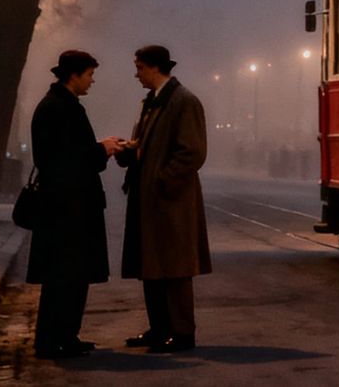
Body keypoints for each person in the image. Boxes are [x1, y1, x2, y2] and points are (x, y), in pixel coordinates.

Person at [114, 45, 211, 353]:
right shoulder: (153, 102)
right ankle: (160, 328)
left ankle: (181, 332)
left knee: (175, 268)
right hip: (152, 199)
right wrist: (130, 151)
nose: (136, 73)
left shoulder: (183, 101)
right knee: (152, 266)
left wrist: (161, 179)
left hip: (171, 200)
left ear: (155, 68)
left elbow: (192, 151)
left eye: (140, 67)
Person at [27, 50, 122, 360]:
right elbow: (66, 159)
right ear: (75, 75)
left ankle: (64, 336)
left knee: (70, 275)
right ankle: (55, 339)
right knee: (65, 275)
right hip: (68, 207)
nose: (92, 81)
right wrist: (101, 149)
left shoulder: (59, 106)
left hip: (69, 205)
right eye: (90, 74)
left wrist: (100, 147)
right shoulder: (59, 108)